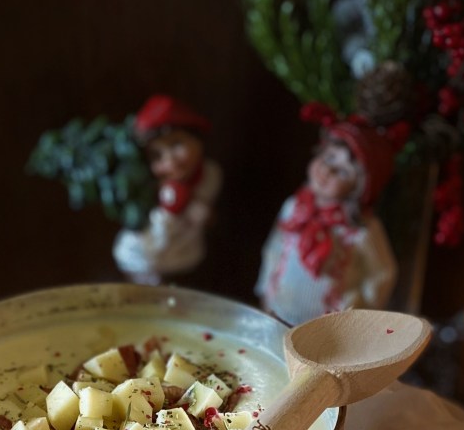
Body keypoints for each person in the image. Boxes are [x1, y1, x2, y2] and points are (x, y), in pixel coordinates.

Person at [255, 120, 398, 325]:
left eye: (342, 171)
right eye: (329, 158)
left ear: (359, 187)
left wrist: (362, 313)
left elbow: (382, 273)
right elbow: (274, 248)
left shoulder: (359, 229)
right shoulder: (294, 207)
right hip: (279, 307)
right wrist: (265, 288)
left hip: (329, 326)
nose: (328, 171)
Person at [112, 94, 223, 284]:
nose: (171, 161)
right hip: (143, 262)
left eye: (177, 144)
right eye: (157, 155)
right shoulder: (146, 189)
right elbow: (154, 243)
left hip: (186, 260)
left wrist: (200, 210)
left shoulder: (210, 174)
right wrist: (173, 209)